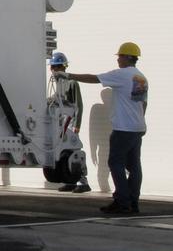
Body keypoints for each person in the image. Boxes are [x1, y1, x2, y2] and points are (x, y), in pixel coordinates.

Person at [67, 42, 148, 215]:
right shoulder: (141, 77)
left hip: (123, 128)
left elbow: (95, 78)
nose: (118, 59)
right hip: (137, 128)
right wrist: (140, 122)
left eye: (120, 56)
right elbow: (143, 104)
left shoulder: (122, 74)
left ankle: (122, 202)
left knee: (115, 163)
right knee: (134, 166)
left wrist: (69, 75)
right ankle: (133, 202)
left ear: (127, 57)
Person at [47, 51, 90, 193]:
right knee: (64, 152)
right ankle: (70, 181)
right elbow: (55, 99)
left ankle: (83, 182)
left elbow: (79, 105)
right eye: (52, 67)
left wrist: (77, 125)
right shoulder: (58, 84)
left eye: (57, 67)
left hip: (70, 121)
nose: (54, 70)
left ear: (63, 67)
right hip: (61, 121)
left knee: (74, 151)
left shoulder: (72, 83)